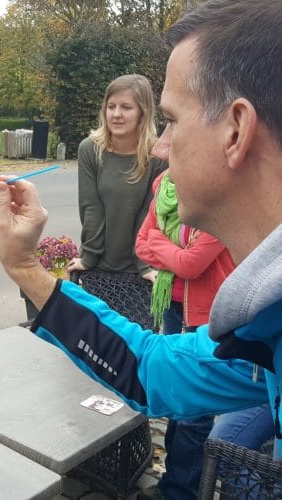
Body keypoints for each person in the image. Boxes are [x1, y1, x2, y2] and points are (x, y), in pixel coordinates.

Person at [0, 0, 282, 470]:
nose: (161, 146)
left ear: (236, 131)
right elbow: (151, 371)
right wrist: (25, 266)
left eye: (172, 121)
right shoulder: (265, 322)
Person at [135, 169, 235, 499]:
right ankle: (172, 481)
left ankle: (181, 490)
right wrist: (173, 253)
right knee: (175, 395)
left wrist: (160, 243)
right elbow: (140, 244)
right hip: (171, 305)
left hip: (207, 314)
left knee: (195, 411)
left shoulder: (221, 192)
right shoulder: (166, 185)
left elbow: (192, 264)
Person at [67, 75, 166, 331]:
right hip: (99, 268)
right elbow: (91, 208)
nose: (116, 114)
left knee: (136, 346)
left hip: (140, 273)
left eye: (126, 107)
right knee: (97, 345)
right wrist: (88, 257)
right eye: (111, 106)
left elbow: (149, 214)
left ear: (143, 112)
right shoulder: (90, 149)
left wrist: (145, 264)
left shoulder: (157, 156)